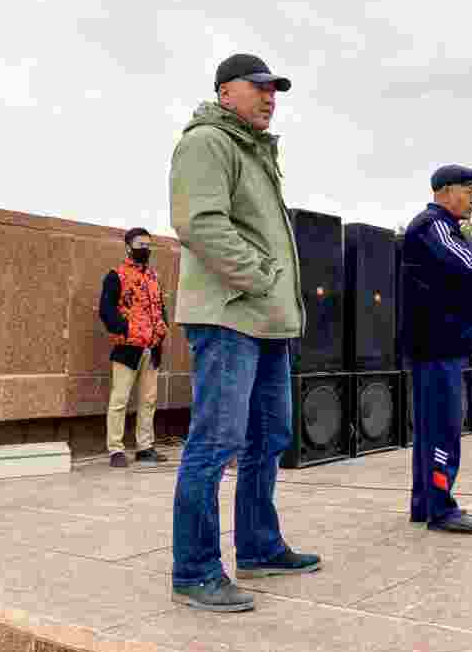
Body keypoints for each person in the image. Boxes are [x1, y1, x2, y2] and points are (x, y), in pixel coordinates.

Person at [168, 53, 319, 612]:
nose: (269, 96)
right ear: (225, 93)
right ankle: (195, 569)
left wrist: (276, 298)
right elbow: (198, 223)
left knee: (269, 438)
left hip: (266, 322)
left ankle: (257, 545)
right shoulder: (207, 141)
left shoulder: (255, 151)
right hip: (229, 316)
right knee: (216, 443)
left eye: (274, 89)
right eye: (257, 87)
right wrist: (260, 279)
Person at [400, 165, 472, 534]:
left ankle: (425, 504)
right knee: (443, 429)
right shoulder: (433, 226)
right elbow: (471, 262)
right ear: (445, 192)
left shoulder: (443, 228)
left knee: (433, 429)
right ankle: (441, 510)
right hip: (436, 345)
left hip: (439, 345)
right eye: (467, 191)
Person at [98, 228, 169, 468]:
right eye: (140, 244)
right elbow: (106, 310)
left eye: (148, 245)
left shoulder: (153, 277)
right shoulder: (115, 275)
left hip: (152, 346)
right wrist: (126, 330)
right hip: (127, 348)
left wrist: (162, 330)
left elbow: (160, 307)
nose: (145, 249)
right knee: (120, 399)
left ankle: (145, 447)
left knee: (148, 400)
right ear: (128, 246)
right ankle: (115, 449)